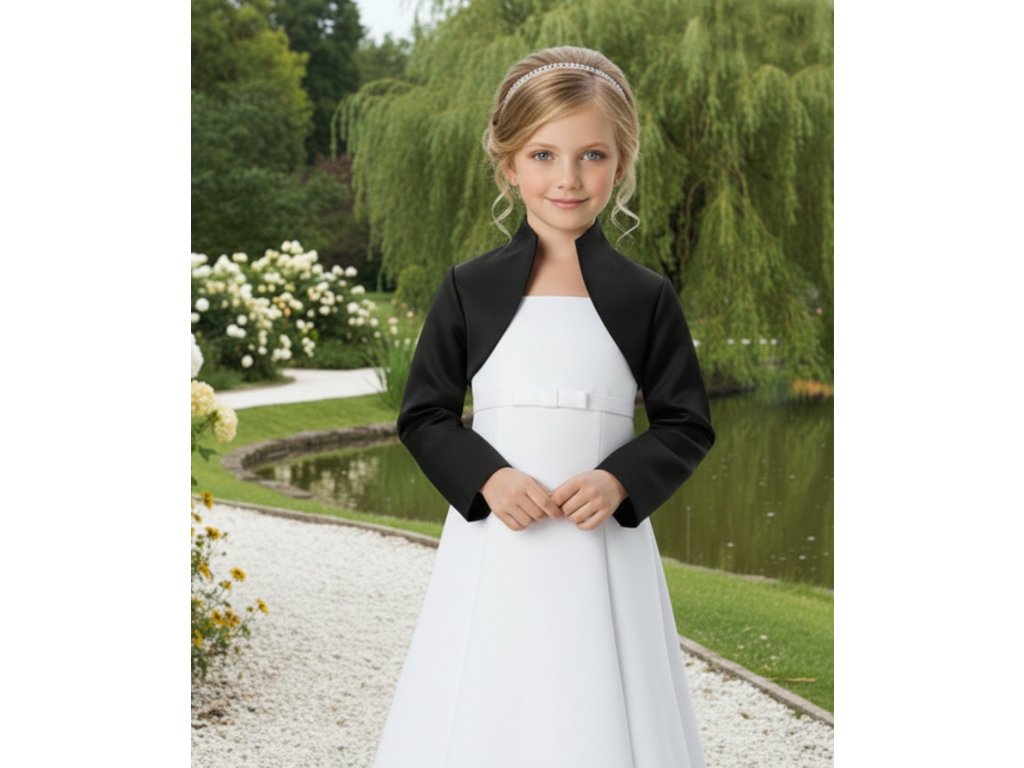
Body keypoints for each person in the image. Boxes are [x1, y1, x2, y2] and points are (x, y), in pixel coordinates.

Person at [372, 45, 715, 768]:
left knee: (602, 698)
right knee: (488, 689)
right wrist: (488, 478)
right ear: (508, 164)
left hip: (603, 545)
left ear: (621, 164)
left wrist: (619, 480)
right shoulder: (469, 288)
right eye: (543, 155)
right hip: (497, 540)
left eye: (592, 155)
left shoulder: (646, 296)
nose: (568, 178)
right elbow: (425, 414)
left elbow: (686, 423)